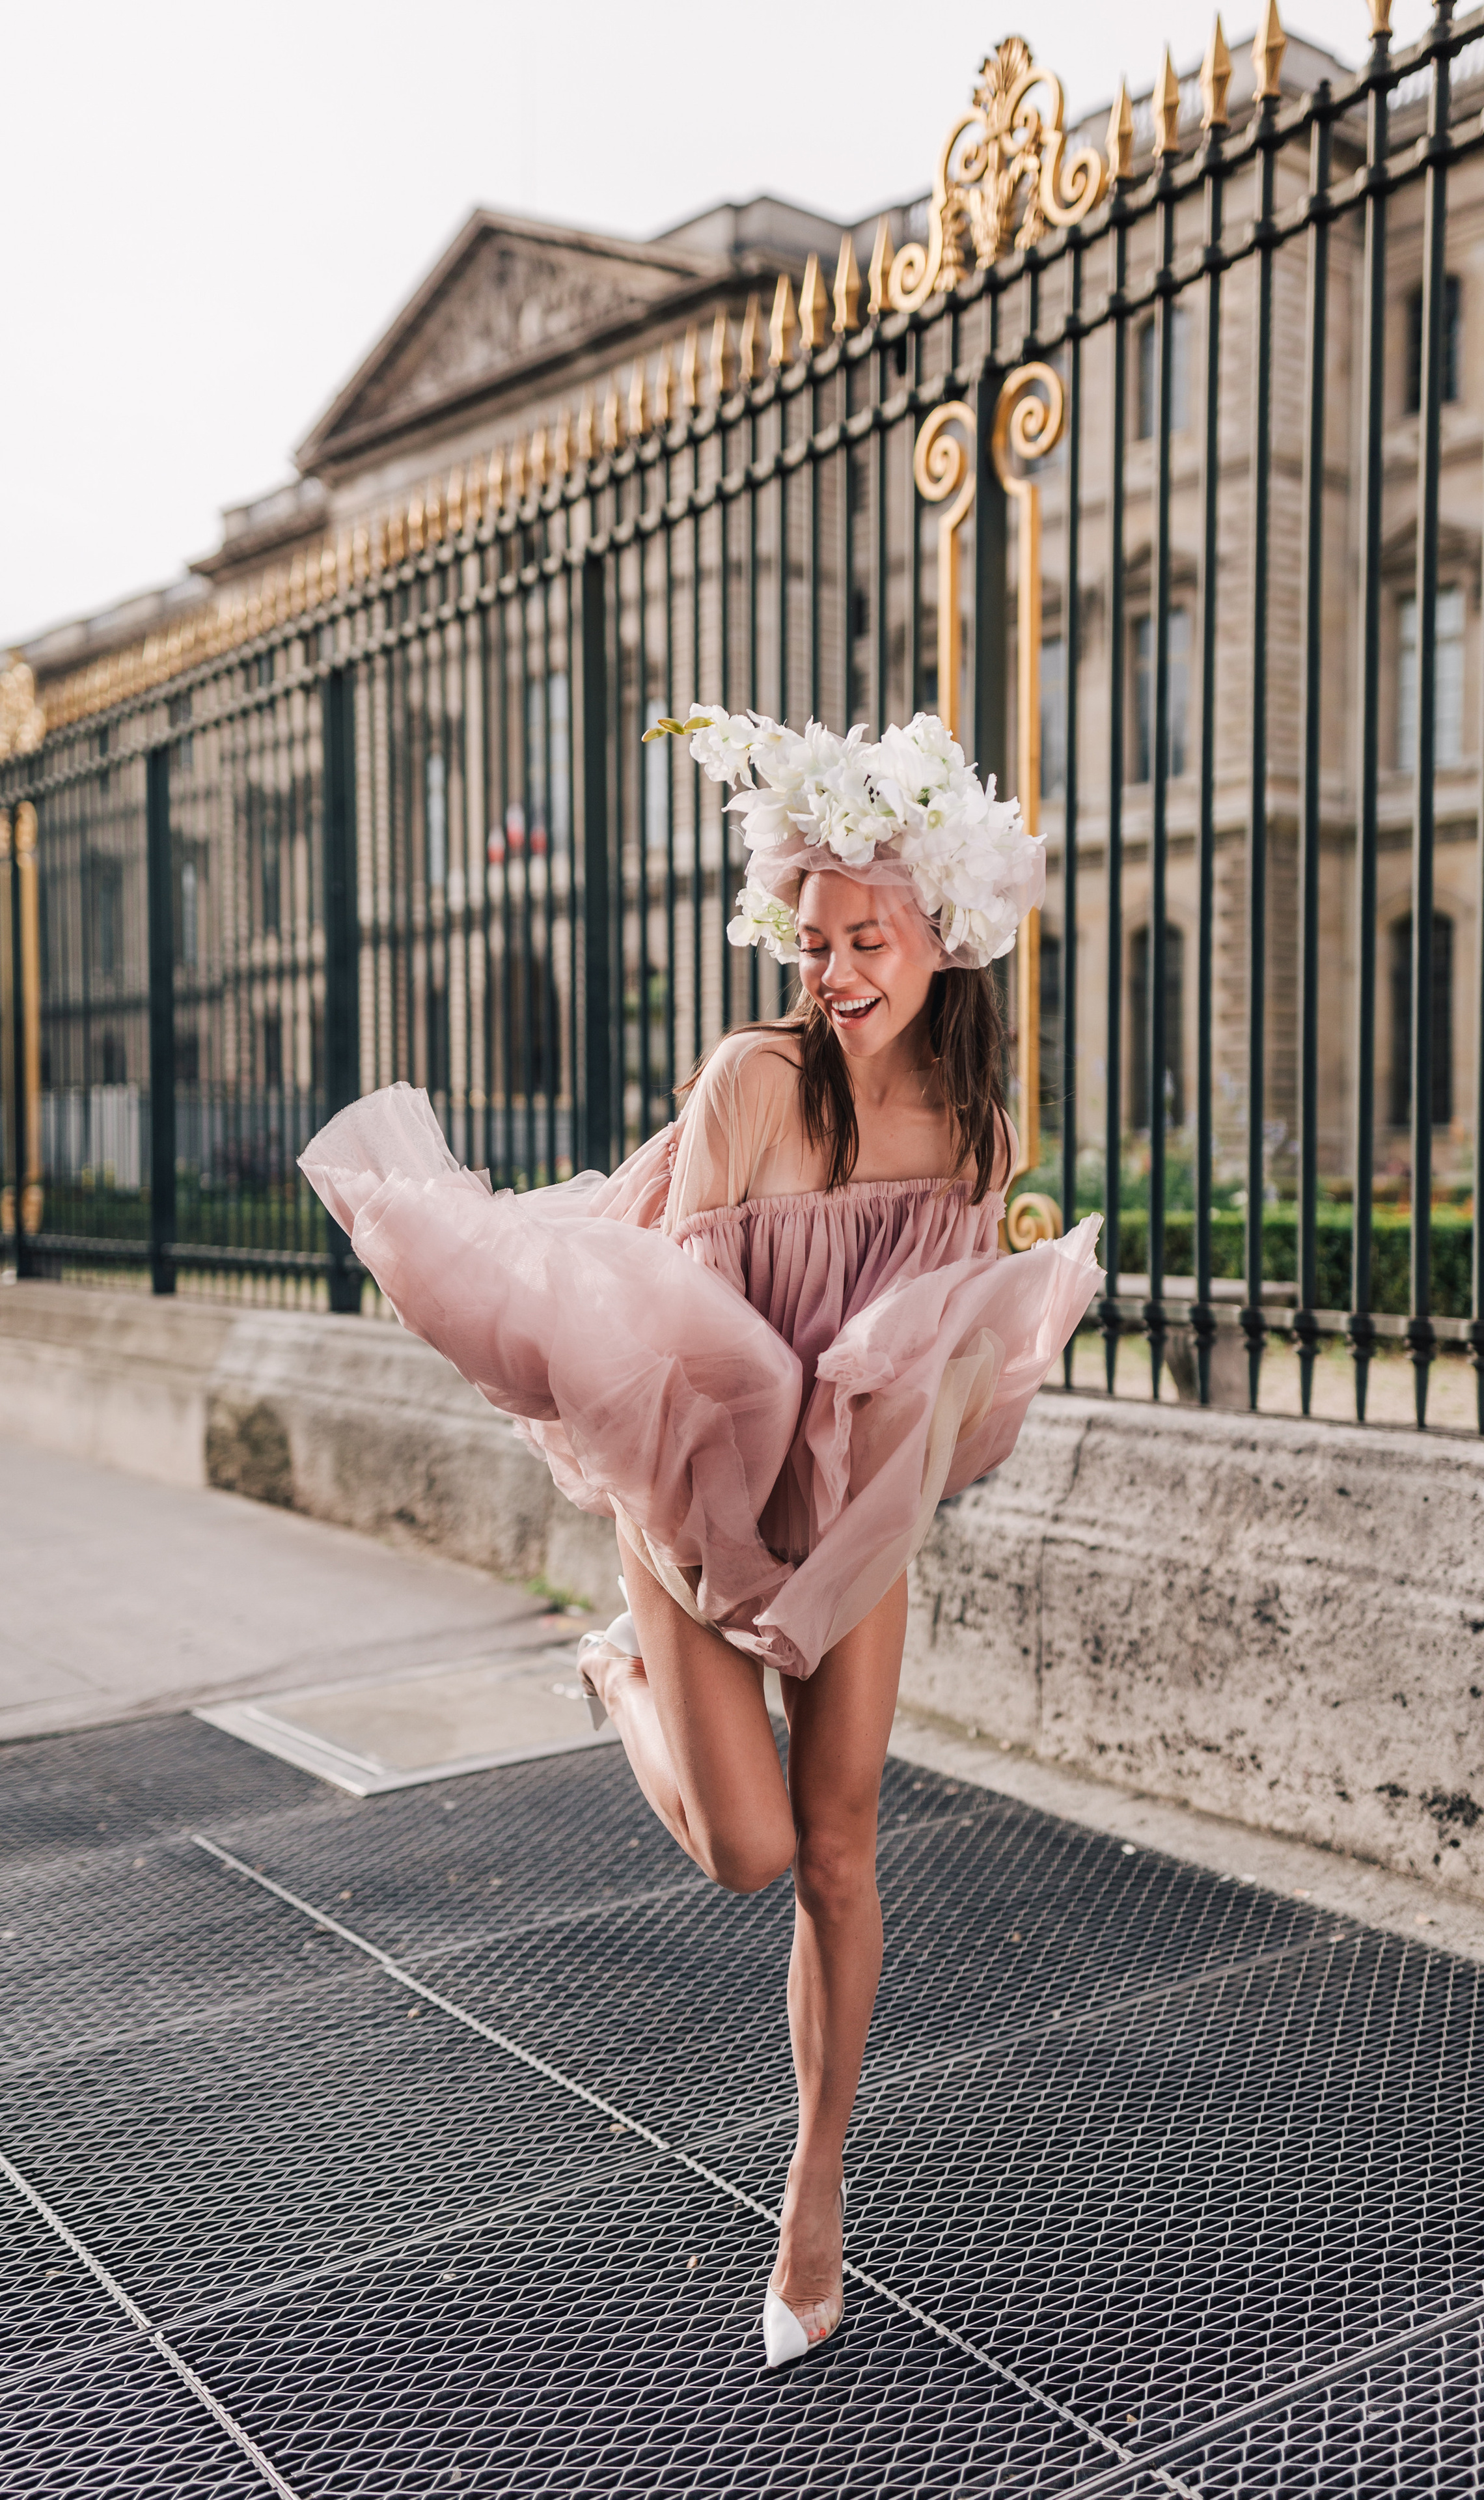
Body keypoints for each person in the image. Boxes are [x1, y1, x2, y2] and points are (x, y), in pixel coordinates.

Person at [299, 706, 1102, 2369]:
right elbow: (652, 1328)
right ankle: (619, 1674)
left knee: (839, 1844)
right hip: (690, 1493)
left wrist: (864, 1510)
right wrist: (709, 1556)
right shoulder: (750, 1085)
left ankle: (814, 2195)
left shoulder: (979, 1131)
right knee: (742, 1854)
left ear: (941, 939)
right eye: (810, 940)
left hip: (849, 1507)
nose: (832, 970)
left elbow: (931, 1356)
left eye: (863, 940)